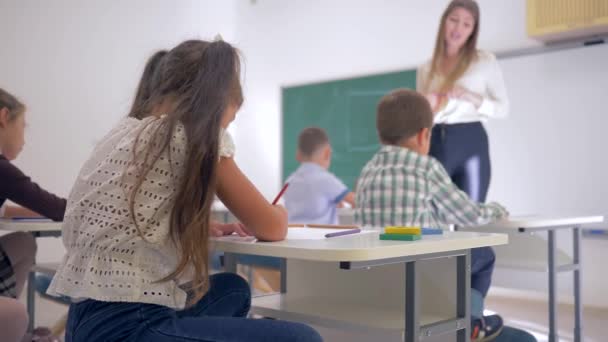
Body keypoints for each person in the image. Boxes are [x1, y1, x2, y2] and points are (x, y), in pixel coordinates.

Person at [47, 39, 322, 342]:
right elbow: (272, 226)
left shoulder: (125, 132)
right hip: (129, 326)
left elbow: (127, 221)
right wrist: (280, 211)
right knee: (302, 338)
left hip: (84, 320)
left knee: (232, 290)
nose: (224, 131)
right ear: (214, 103)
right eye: (227, 122)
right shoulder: (193, 135)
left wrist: (195, 227)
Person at [356, 88, 508, 341]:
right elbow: (467, 214)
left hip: (379, 281)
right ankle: (471, 322)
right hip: (422, 276)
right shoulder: (426, 167)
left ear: (381, 136)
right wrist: (495, 210)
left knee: (421, 237)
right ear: (424, 135)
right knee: (484, 256)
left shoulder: (368, 170)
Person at [417, 1, 510, 339]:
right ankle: (440, 310)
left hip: (470, 139)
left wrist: (471, 96)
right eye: (454, 20)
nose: (458, 28)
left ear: (474, 30)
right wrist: (430, 104)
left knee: (469, 226)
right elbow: (421, 115)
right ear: (444, 22)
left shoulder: (484, 61)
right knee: (435, 227)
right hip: (436, 141)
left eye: (467, 24)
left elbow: (502, 108)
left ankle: (471, 316)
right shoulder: (426, 67)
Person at [0, 88, 66, 342]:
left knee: (24, 242)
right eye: (23, 126)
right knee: (17, 316)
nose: (24, 139)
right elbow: (55, 207)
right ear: (4, 116)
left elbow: (9, 208)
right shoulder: (3, 170)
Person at [284, 127, 355, 224]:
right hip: (322, 237)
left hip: (294, 236)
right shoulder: (325, 179)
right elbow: (356, 201)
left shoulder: (290, 181)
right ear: (327, 153)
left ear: (298, 154)